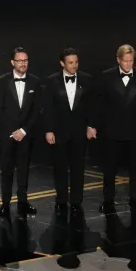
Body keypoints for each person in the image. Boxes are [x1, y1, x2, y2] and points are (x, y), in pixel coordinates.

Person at [95, 44, 136, 214]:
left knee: (135, 168)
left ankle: (135, 199)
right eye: (125, 61)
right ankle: (108, 200)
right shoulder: (107, 76)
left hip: (135, 130)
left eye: (131, 61)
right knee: (109, 169)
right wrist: (94, 125)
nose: (128, 64)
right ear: (118, 60)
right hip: (112, 130)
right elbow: (100, 103)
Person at [43, 47, 94, 217]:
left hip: (79, 132)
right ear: (62, 63)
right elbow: (48, 107)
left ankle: (76, 201)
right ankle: (61, 200)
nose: (74, 66)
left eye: (76, 62)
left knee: (79, 168)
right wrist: (49, 130)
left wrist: (91, 125)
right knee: (60, 168)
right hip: (59, 132)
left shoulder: (86, 79)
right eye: (71, 63)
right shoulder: (52, 81)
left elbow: (90, 106)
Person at [0, 47, 40, 217]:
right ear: (12, 62)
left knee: (24, 170)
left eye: (25, 60)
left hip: (26, 135)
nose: (23, 64)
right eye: (20, 61)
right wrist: (12, 132)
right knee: (6, 170)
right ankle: (5, 204)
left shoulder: (35, 82)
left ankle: (22, 202)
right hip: (7, 135)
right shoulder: (2, 81)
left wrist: (23, 130)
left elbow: (36, 111)